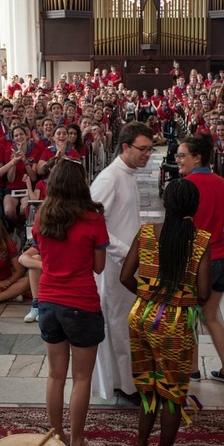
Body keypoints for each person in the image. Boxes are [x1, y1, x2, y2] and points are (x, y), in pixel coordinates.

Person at [119, 179, 212, 446]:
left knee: (147, 388)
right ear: (194, 207)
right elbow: (205, 292)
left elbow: (125, 276)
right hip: (174, 322)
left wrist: (148, 297)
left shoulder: (146, 233)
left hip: (141, 315)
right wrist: (176, 299)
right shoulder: (199, 241)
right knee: (172, 392)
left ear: (164, 202)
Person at [19, 158, 108, 446]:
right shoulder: (93, 219)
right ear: (81, 183)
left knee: (55, 376)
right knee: (81, 378)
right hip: (81, 302)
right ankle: (78, 444)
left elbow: (40, 254)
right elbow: (98, 267)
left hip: (48, 301)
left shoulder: (43, 216)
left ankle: (57, 438)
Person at [90, 121, 154, 402]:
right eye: (143, 149)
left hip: (129, 264)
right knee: (117, 324)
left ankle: (127, 381)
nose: (147, 155)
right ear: (125, 147)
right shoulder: (109, 177)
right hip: (116, 267)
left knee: (126, 324)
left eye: (150, 150)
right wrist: (127, 252)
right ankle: (123, 386)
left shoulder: (127, 174)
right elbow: (95, 223)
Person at [176, 133, 224, 386]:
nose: (178, 159)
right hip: (222, 260)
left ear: (197, 157)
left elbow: (179, 228)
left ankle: (191, 369)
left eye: (182, 155)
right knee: (210, 316)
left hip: (197, 262)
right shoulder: (222, 183)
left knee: (189, 316)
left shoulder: (185, 186)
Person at [0, 214, 29, 304]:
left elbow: (20, 271)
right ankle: (10, 295)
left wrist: (8, 282)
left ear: (0, 229)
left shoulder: (8, 244)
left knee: (27, 281)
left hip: (7, 283)